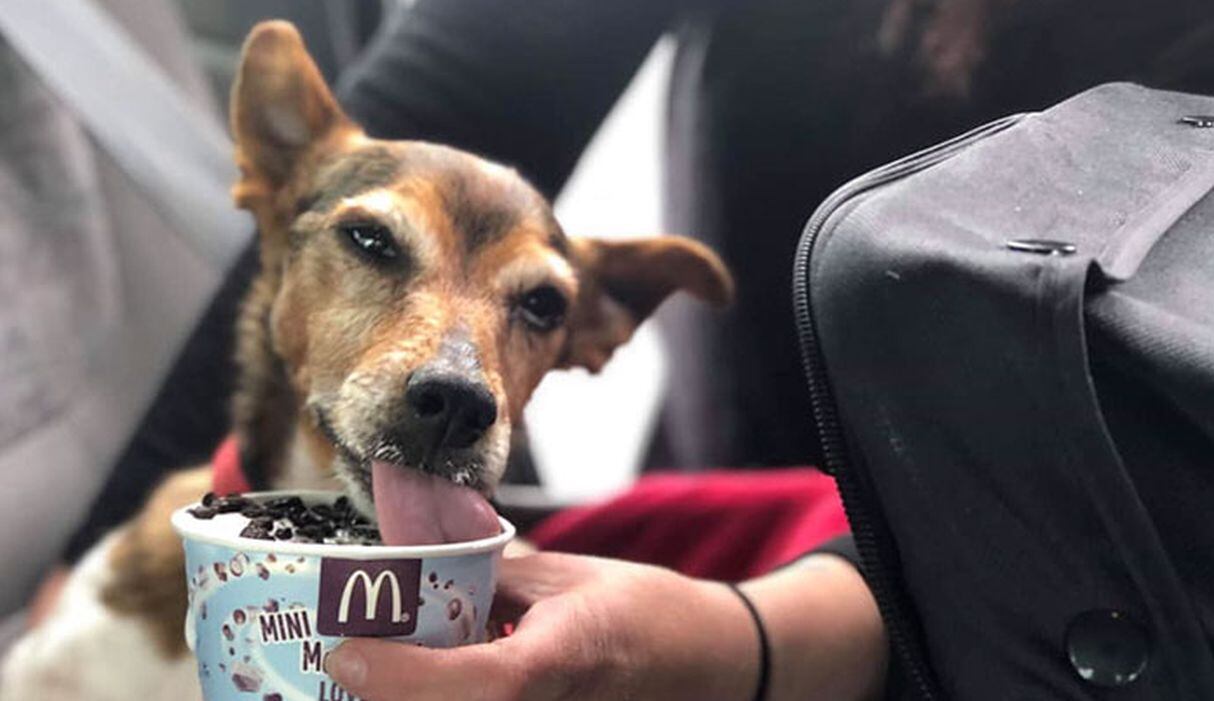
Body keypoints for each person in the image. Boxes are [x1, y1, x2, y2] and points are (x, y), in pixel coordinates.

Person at [40, 0, 1214, 698]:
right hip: (737, 515)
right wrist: (97, 560)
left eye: (540, 310)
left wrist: (761, 639)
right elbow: (464, 91)